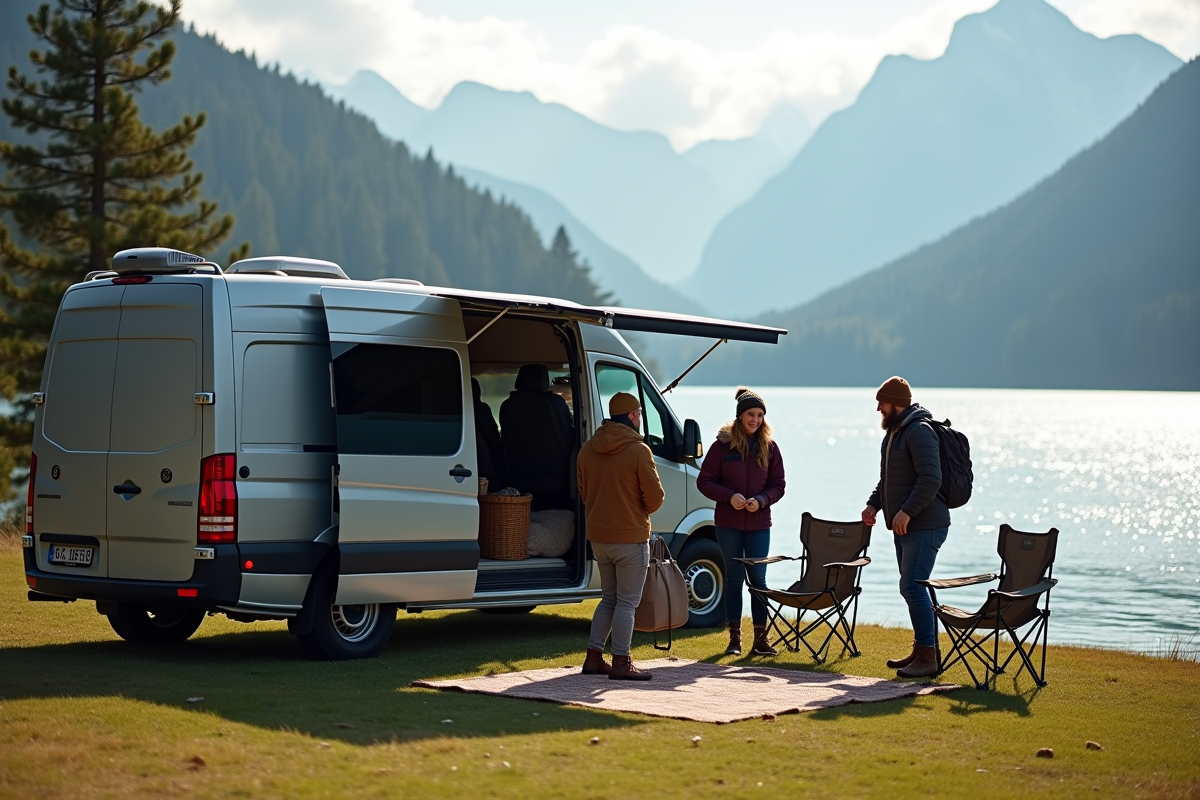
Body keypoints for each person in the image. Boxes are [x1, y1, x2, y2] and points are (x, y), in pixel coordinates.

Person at [861, 376, 949, 678]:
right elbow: (889, 480)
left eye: (882, 402)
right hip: (907, 526)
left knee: (912, 586)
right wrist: (874, 504)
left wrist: (907, 512)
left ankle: (928, 658)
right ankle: (922, 649)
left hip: (926, 525)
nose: (878, 409)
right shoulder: (895, 434)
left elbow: (931, 479)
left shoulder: (919, 431)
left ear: (897, 403)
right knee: (912, 588)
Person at [576, 391, 665, 680]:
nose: (640, 417)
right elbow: (654, 499)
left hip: (599, 538)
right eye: (639, 413)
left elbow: (584, 493)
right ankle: (621, 662)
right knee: (627, 602)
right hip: (630, 538)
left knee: (609, 598)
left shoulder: (587, 449)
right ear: (632, 416)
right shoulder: (638, 450)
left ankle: (593, 657)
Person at [697, 387, 786, 657]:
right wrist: (729, 496)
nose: (755, 420)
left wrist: (761, 500)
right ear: (739, 416)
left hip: (759, 524)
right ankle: (734, 639)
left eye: (760, 415)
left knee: (758, 580)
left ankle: (761, 639)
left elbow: (779, 485)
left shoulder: (770, 447)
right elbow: (704, 481)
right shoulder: (721, 446)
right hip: (728, 524)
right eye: (751, 414)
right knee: (734, 580)